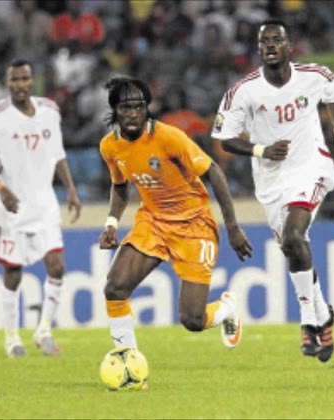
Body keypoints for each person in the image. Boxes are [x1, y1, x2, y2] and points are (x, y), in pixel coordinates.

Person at [211, 19, 334, 362]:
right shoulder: (243, 91)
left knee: (293, 235)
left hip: (311, 167)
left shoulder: (314, 75)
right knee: (295, 247)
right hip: (271, 181)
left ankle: (307, 322)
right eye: (264, 42)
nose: (271, 45)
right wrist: (261, 150)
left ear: (289, 46)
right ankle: (324, 316)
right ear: (259, 50)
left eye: (277, 40)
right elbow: (222, 140)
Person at [98, 77, 252, 351]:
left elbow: (214, 172)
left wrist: (233, 228)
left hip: (193, 224)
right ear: (115, 111)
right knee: (115, 288)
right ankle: (127, 360)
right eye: (125, 108)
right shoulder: (110, 146)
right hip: (153, 221)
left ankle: (226, 308)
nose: (133, 113)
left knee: (192, 320)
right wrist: (111, 222)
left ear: (147, 109)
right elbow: (120, 185)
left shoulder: (169, 137)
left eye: (138, 107)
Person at [0, 58, 82, 358]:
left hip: (44, 203)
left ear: (31, 81)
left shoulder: (49, 110)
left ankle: (44, 330)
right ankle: (12, 338)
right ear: (7, 83)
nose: (20, 84)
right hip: (11, 208)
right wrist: (0, 188)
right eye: (14, 80)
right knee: (13, 272)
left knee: (57, 266)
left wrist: (71, 188)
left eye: (24, 79)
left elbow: (57, 153)